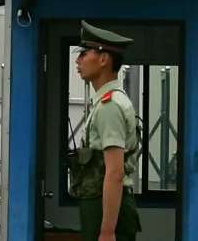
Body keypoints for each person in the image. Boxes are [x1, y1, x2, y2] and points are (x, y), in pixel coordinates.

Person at [74, 21, 141, 241]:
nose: (78, 60)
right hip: (103, 205)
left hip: (108, 210)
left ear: (103, 59)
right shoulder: (106, 102)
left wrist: (107, 231)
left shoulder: (110, 106)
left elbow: (115, 172)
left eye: (84, 53)